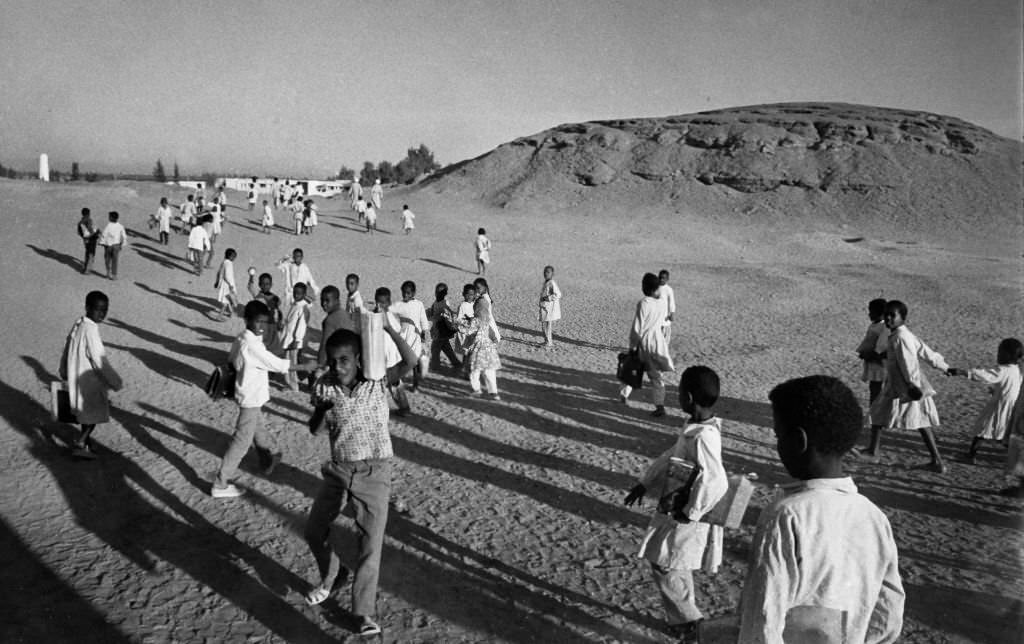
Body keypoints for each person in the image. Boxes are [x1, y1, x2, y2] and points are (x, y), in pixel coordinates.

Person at [739, 375, 905, 643]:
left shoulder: (786, 515)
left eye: (778, 435)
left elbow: (764, 617)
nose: (778, 444)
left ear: (798, 441)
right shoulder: (873, 516)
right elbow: (889, 612)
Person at [302, 320, 419, 637]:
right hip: (339, 471)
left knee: (370, 547)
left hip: (375, 473)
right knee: (313, 531)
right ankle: (333, 574)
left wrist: (391, 331)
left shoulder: (378, 381)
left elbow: (410, 362)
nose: (338, 367)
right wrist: (319, 411)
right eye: (333, 360)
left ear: (358, 359)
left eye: (344, 360)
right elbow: (315, 430)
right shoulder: (324, 386)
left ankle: (363, 614)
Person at [624, 366, 727, 642]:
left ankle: (692, 621)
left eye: (680, 391)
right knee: (673, 563)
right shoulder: (695, 428)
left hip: (686, 515)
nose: (677, 395)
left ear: (689, 397)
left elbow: (716, 480)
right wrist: (645, 482)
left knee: (665, 563)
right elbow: (672, 455)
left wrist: (690, 512)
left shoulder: (705, 436)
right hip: (677, 509)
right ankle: (682, 619)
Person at [212, 300, 304, 498]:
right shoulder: (252, 345)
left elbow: (232, 361)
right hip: (250, 398)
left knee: (257, 430)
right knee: (242, 441)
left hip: (248, 395)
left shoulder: (241, 339)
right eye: (258, 322)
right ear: (247, 320)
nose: (261, 326)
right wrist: (305, 367)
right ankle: (220, 483)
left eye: (264, 322)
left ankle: (267, 462)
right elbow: (277, 364)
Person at [863, 300, 951, 472]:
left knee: (881, 414)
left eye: (892, 315)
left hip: (905, 386)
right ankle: (936, 460)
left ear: (902, 317)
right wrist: (944, 367)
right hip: (901, 384)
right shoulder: (902, 334)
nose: (888, 318)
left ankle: (937, 461)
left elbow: (908, 362)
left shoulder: (900, 338)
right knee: (885, 415)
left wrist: (911, 385)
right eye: (887, 314)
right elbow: (926, 352)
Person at [59, 290, 123, 459]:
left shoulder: (79, 323)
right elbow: (98, 359)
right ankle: (81, 442)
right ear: (88, 307)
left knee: (85, 414)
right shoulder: (91, 330)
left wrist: (64, 369)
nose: (101, 314)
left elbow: (67, 346)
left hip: (77, 376)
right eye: (98, 309)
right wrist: (115, 381)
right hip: (89, 379)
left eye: (104, 310)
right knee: (94, 414)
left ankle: (86, 444)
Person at [948, 338, 1023, 463]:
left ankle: (971, 456)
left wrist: (963, 372)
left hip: (999, 405)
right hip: (1010, 406)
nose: (998, 355)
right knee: (1003, 433)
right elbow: (1011, 387)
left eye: (1000, 353)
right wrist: (996, 391)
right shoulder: (1017, 369)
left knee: (982, 428)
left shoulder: (1003, 370)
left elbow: (985, 375)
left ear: (1007, 355)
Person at [620, 272, 675, 417]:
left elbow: (637, 327)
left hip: (644, 342)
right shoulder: (662, 303)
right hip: (658, 342)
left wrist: (632, 346)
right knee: (656, 376)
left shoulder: (644, 303)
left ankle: (623, 396)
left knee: (632, 369)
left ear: (645, 287)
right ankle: (660, 405)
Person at [373, 287, 412, 415]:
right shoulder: (377, 316)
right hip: (384, 359)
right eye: (377, 302)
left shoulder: (389, 319)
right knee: (393, 385)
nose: (379, 305)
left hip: (389, 360)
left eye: (383, 303)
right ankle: (404, 408)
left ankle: (404, 408)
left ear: (388, 303)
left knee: (390, 385)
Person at [390, 280, 431, 391]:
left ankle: (415, 385)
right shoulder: (398, 305)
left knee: (416, 363)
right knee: (399, 359)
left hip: (415, 337)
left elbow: (423, 319)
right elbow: (389, 314)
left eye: (408, 293)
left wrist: (425, 332)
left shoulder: (419, 304)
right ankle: (398, 381)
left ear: (413, 293)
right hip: (403, 337)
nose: (405, 295)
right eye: (404, 292)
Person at [467, 278, 501, 399]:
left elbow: (468, 330)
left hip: (478, 350)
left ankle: (476, 389)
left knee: (474, 370)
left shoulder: (476, 320)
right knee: (489, 370)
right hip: (489, 349)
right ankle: (494, 392)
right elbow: (491, 329)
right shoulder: (486, 321)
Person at [280, 282, 312, 391]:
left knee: (292, 363)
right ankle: (288, 381)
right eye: (295, 292)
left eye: (299, 293)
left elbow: (301, 326)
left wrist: (297, 340)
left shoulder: (303, 308)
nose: (296, 295)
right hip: (288, 339)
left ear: (304, 294)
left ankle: (293, 385)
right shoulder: (295, 304)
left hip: (293, 341)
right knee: (287, 361)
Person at [856, 298, 889, 405]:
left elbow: (882, 348)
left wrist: (869, 355)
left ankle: (875, 412)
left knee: (876, 388)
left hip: (879, 363)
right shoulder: (875, 324)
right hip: (874, 362)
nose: (869, 314)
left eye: (871, 312)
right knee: (874, 387)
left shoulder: (884, 327)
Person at [427, 283, 461, 370]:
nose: (439, 294)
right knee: (446, 348)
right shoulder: (437, 301)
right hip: (439, 330)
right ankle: (456, 363)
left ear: (445, 294)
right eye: (438, 292)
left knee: (435, 348)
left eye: (442, 293)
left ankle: (435, 366)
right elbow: (433, 310)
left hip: (440, 331)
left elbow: (444, 315)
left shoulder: (444, 303)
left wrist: (433, 317)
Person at [247, 272, 283, 350]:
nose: (265, 286)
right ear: (259, 284)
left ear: (271, 285)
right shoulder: (257, 294)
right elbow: (250, 286)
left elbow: (278, 311)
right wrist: (251, 276)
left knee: (270, 343)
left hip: (271, 324)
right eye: (262, 284)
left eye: (267, 284)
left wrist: (280, 322)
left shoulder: (275, 298)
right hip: (259, 324)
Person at [98, 211, 127, 280]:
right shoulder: (120, 226)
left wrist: (101, 242)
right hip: (116, 246)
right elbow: (124, 236)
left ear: (111, 218)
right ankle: (114, 275)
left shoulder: (108, 226)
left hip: (108, 246)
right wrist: (122, 245)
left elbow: (104, 235)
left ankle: (108, 272)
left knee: (107, 260)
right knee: (115, 260)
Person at [538, 265, 562, 348]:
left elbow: (558, 294)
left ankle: (548, 342)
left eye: (548, 272)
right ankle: (547, 341)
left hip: (549, 309)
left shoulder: (551, 283)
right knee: (544, 325)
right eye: (545, 272)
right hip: (545, 307)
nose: (546, 273)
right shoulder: (547, 282)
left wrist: (547, 298)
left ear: (552, 274)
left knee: (547, 325)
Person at [214, 248, 239, 319]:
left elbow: (219, 272)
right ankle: (220, 316)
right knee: (227, 301)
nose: (234, 258)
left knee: (229, 300)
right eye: (234, 256)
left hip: (224, 284)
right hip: (227, 285)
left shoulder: (224, 262)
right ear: (230, 256)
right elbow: (227, 276)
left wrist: (217, 281)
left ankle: (231, 313)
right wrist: (231, 285)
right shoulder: (229, 263)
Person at [77, 207, 99, 274]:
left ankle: (86, 267)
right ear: (89, 214)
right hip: (91, 239)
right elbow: (90, 228)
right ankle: (87, 270)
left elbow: (79, 232)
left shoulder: (80, 221)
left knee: (87, 252)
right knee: (91, 253)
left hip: (85, 239)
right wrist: (95, 233)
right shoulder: (88, 220)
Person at [658, 270, 676, 346]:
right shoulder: (656, 288)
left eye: (664, 278)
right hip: (657, 317)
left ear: (667, 279)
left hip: (666, 317)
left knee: (666, 336)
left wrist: (672, 313)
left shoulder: (669, 289)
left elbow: (672, 302)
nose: (662, 279)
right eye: (660, 278)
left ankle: (664, 351)